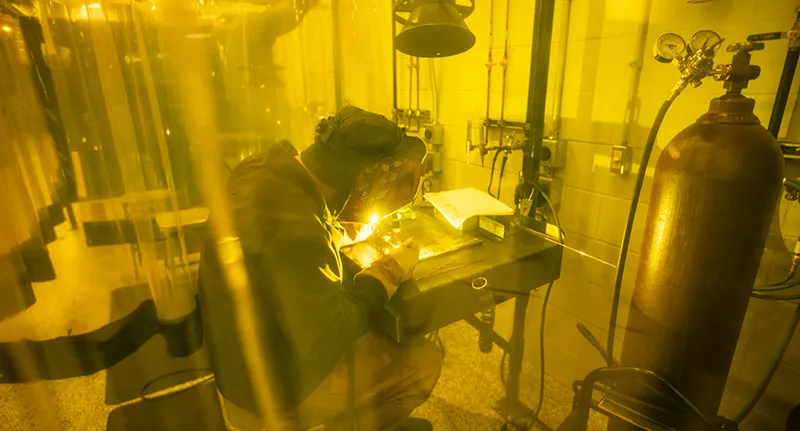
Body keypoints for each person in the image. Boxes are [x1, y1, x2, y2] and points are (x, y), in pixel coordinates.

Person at [198, 106, 443, 431]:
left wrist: (333, 231)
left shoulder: (262, 170)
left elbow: (285, 249)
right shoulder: (298, 228)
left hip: (237, 367)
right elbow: (325, 337)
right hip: (266, 395)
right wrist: (387, 272)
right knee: (425, 360)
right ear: (364, 178)